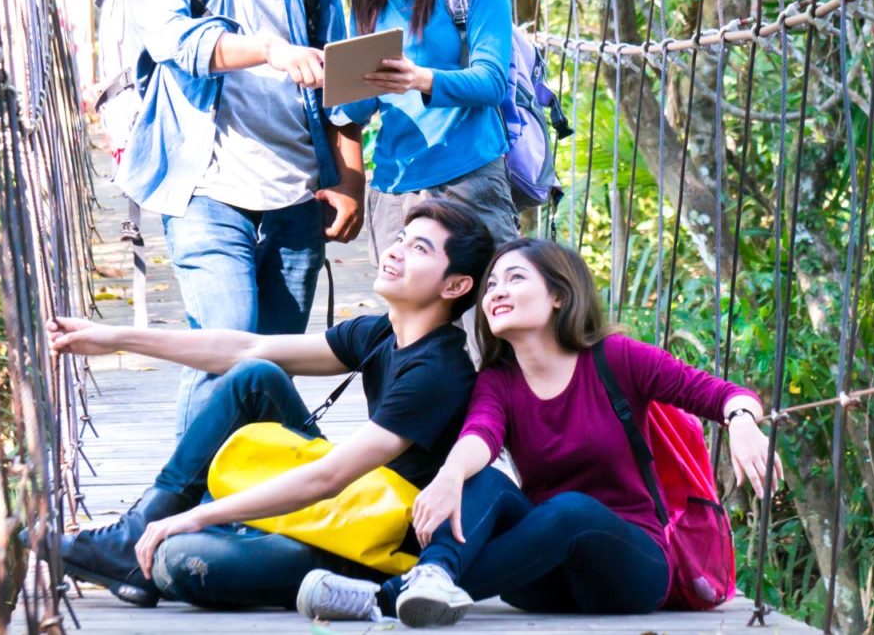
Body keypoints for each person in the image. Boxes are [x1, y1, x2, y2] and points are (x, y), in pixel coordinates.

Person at [297, 238, 782, 627]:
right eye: (490, 285)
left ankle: (386, 596)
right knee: (483, 480)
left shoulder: (617, 359)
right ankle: (433, 575)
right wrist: (449, 475)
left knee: (569, 509)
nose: (496, 292)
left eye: (515, 278)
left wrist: (741, 421)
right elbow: (480, 435)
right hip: (541, 573)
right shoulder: (498, 379)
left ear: (559, 296)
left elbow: (719, 393)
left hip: (631, 569)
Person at [38, 200, 493, 611]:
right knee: (257, 376)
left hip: (373, 540)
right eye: (399, 239)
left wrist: (196, 516)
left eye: (419, 249)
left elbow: (329, 476)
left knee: (180, 560)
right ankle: (136, 536)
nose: (395, 251)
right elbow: (246, 350)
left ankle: (151, 549)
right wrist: (116, 339)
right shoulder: (381, 334)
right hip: (349, 501)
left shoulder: (438, 371)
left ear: (455, 286)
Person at [113, 0, 365, 435]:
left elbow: (338, 63)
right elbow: (172, 38)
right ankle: (178, 511)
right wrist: (270, 51)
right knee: (226, 356)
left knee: (271, 369)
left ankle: (257, 518)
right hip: (204, 187)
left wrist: (350, 178)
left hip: (297, 196)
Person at [329, 0, 520, 255]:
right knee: (407, 319)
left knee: (483, 315)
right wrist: (340, 84)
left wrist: (421, 79)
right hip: (395, 185)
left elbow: (492, 81)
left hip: (468, 179)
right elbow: (361, 111)